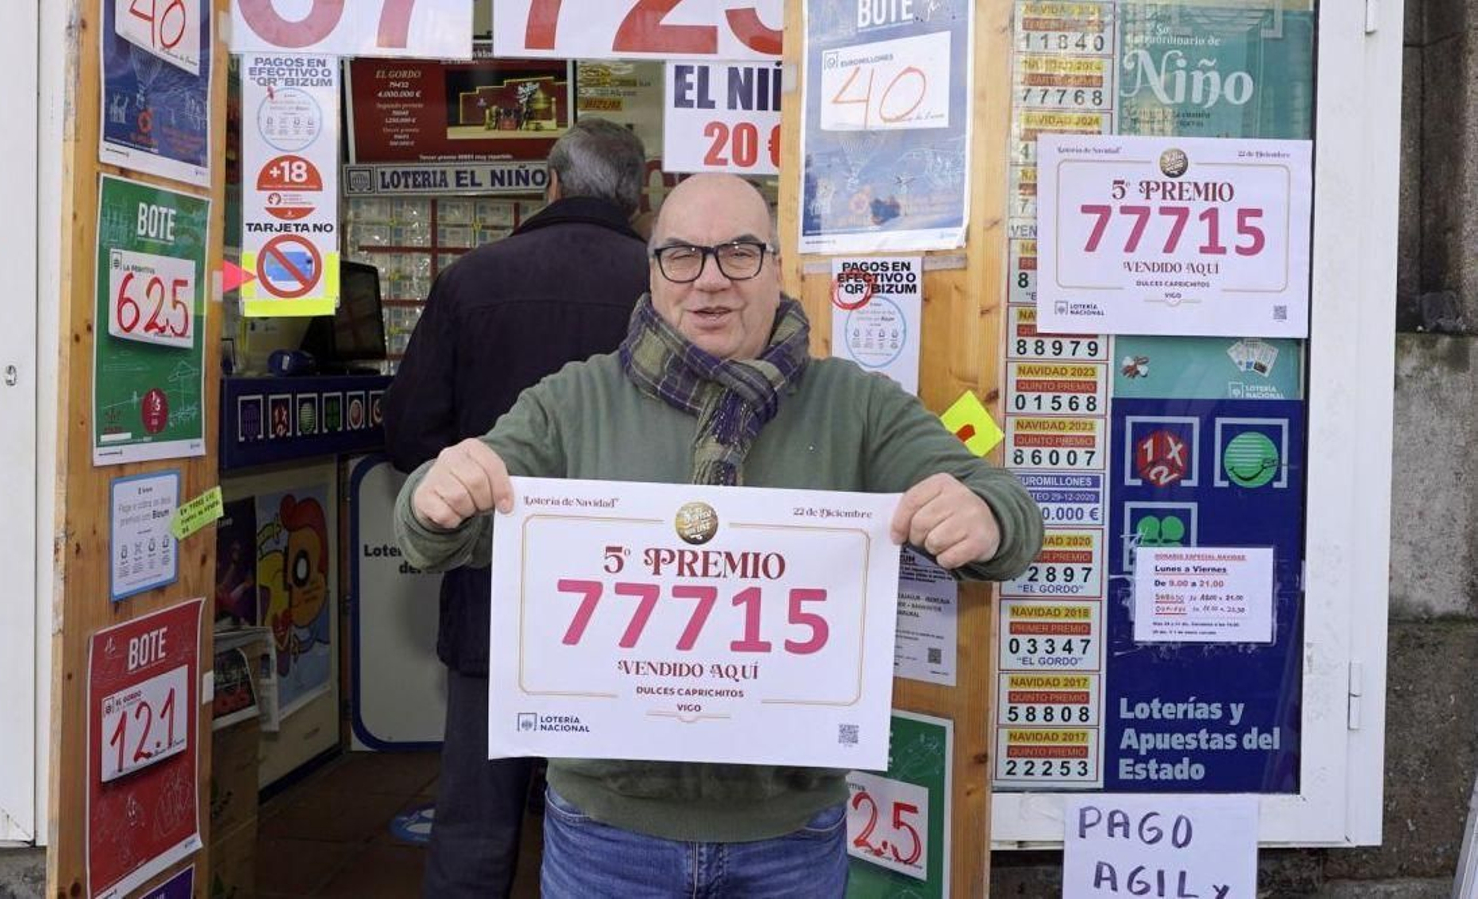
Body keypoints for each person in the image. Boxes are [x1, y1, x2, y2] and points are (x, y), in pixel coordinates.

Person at [394, 174, 1043, 896]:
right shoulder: (573, 401)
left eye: (737, 253)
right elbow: (435, 536)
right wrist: (436, 494)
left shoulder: (854, 405)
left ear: (775, 267)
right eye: (682, 256)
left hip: (789, 839)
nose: (709, 281)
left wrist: (984, 516)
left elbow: (1010, 510)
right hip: (606, 835)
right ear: (653, 271)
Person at [382, 116, 651, 898]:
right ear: (640, 197)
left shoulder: (472, 279)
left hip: (494, 587)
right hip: (638, 605)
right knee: (629, 825)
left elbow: (409, 434)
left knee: (475, 820)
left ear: (552, 182)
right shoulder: (669, 289)